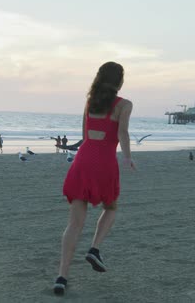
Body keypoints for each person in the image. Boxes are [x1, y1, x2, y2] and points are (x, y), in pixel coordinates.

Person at [53, 62, 135, 295]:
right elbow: (122, 133)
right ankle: (95, 249)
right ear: (119, 81)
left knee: (74, 224)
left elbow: (85, 135)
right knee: (111, 207)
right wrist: (128, 158)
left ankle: (61, 277)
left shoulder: (90, 102)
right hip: (105, 162)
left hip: (82, 161)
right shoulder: (124, 105)